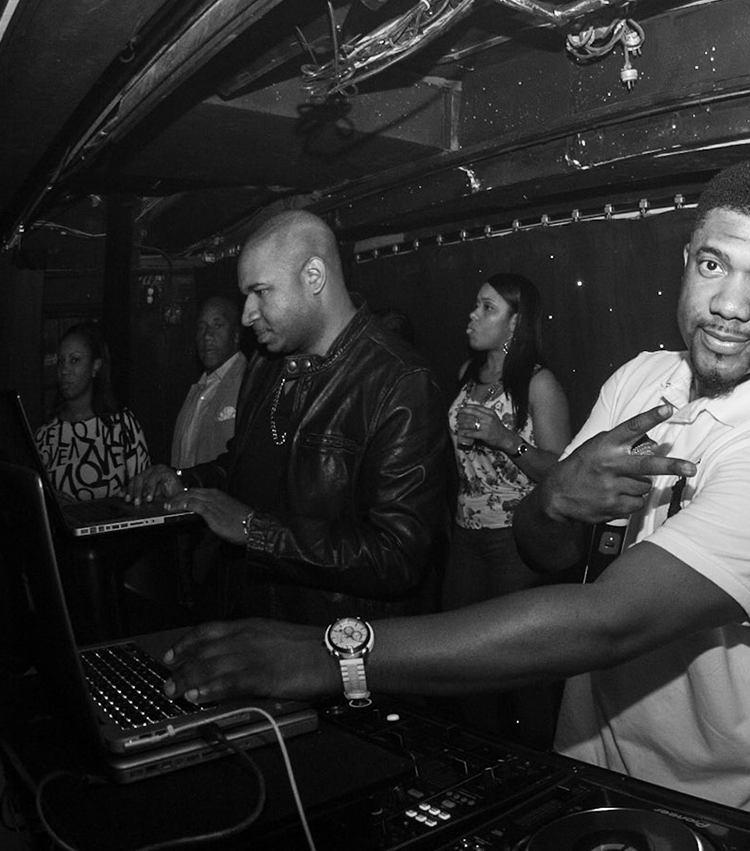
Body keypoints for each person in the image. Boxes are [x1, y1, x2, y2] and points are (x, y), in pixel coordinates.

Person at [156, 161, 750, 826]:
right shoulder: (643, 380)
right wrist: (553, 500)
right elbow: (545, 548)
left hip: (727, 805)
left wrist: (333, 655)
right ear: (685, 263)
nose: (730, 304)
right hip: (591, 758)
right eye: (713, 265)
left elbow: (607, 620)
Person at [128, 210, 449, 626]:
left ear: (314, 276)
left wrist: (255, 531)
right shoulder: (265, 364)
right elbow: (246, 466)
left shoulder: (398, 382)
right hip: (254, 622)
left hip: (328, 643)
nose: (248, 314)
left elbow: (397, 556)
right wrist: (189, 481)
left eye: (260, 292)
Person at [442, 272, 572, 744]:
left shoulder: (538, 383)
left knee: (520, 669)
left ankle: (534, 766)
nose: (473, 316)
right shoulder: (466, 374)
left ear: (516, 323)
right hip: (466, 535)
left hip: (515, 540)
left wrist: (505, 439)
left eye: (488, 308)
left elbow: (560, 473)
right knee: (460, 660)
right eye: (476, 305)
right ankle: (478, 762)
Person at [36, 322, 151, 501]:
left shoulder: (122, 426)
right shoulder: (46, 435)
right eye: (61, 361)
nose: (64, 370)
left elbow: (144, 492)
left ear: (95, 366)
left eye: (74, 360)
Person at [169, 294, 247, 470]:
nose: (207, 335)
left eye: (217, 325)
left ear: (236, 334)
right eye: (201, 327)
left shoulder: (248, 384)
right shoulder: (199, 390)